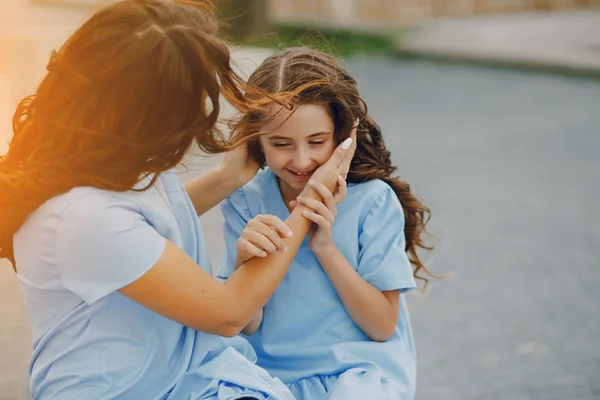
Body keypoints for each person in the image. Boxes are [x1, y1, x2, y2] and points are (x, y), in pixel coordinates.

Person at [0, 2, 355, 399]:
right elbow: (229, 312)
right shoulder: (81, 216)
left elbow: (140, 231)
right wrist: (310, 204)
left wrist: (227, 178)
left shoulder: (105, 161)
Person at [217, 47, 435, 400]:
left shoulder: (373, 201)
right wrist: (246, 264)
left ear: (342, 134)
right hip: (270, 375)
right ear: (257, 138)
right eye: (281, 144)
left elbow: (382, 326)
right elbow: (245, 324)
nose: (302, 160)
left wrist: (325, 248)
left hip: (357, 373)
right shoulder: (245, 201)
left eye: (316, 142)